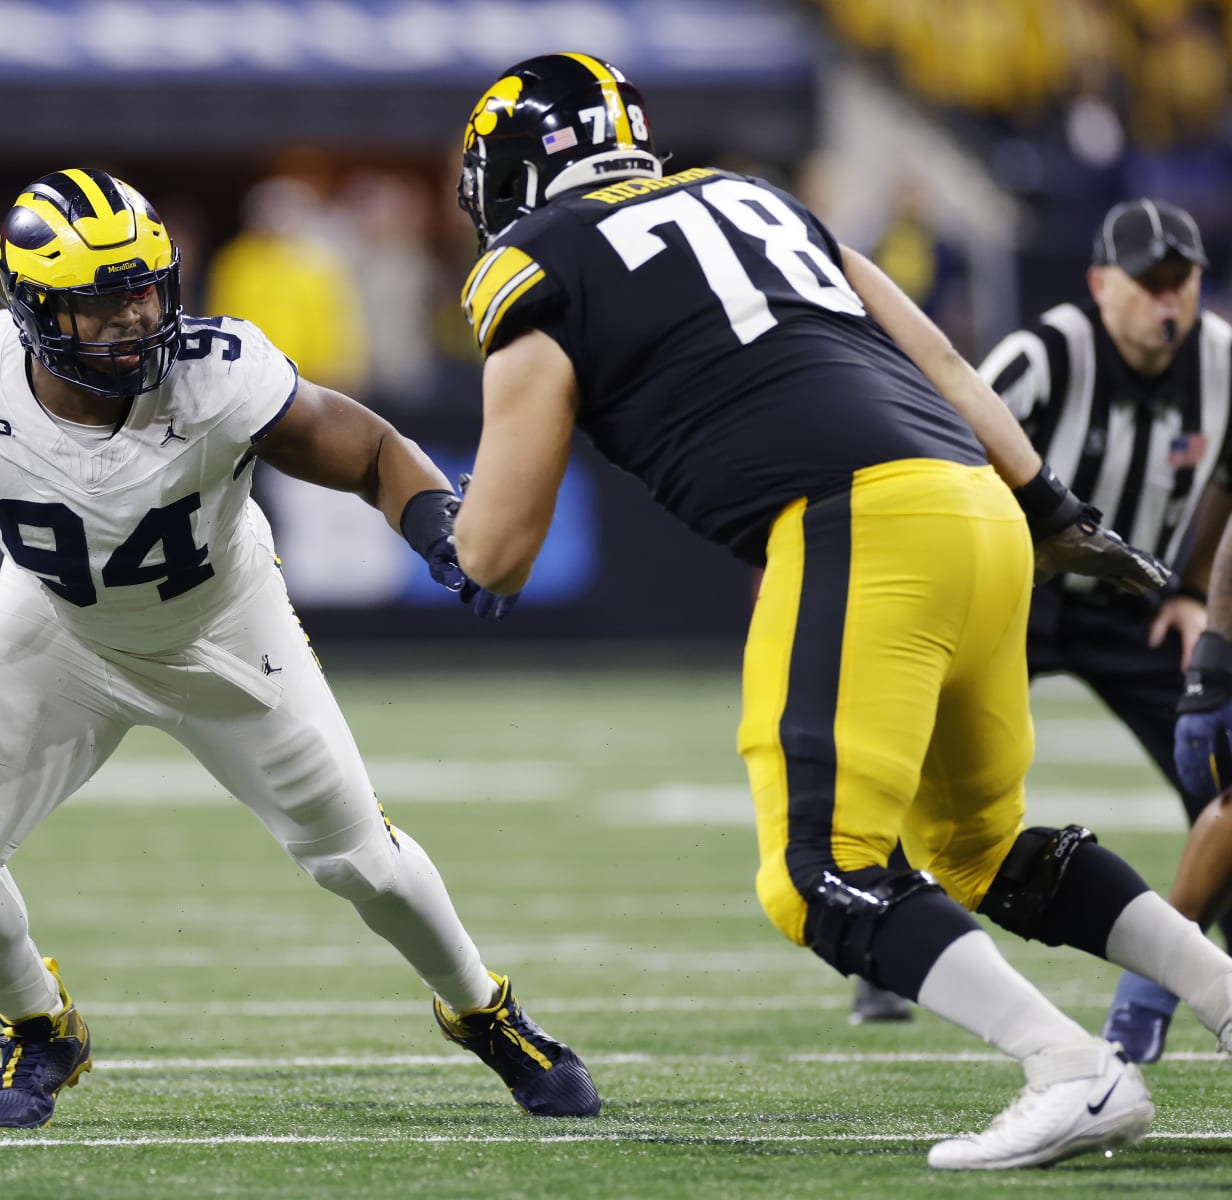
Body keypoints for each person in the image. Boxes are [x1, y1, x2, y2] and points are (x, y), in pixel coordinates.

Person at [448, 52, 1232, 1171]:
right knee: (983, 846)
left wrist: (422, 516)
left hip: (858, 518)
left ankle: (1069, 1068)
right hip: (980, 503)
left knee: (817, 871)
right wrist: (1050, 507)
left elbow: (498, 551)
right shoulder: (756, 196)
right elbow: (948, 358)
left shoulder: (536, 260)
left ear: (516, 169)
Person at [0, 168, 597, 1129]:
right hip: (57, 629)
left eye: (145, 288)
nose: (135, 317)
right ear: (34, 310)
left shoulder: (217, 372)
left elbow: (365, 450)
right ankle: (41, 1027)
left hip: (222, 628)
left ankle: (485, 1011)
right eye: (104, 301)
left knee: (358, 860)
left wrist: (439, 526)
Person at [854, 199, 1232, 1052]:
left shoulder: (1222, 361)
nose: (1168, 303)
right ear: (1102, 285)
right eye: (1150, 284)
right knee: (902, 765)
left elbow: (1227, 485)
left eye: (1184, 283)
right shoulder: (1045, 356)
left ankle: (1192, 969)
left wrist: (1192, 590)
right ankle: (879, 945)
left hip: (1139, 605)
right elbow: (937, 441)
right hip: (1012, 590)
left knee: (1216, 764)